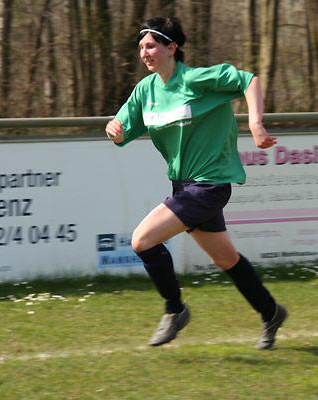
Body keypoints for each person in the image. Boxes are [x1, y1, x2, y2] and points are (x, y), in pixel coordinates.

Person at [105, 16, 286, 350]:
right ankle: (271, 312)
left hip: (210, 184)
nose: (144, 53)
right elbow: (121, 130)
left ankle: (175, 309)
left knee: (142, 240)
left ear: (172, 47)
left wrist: (256, 124)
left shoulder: (197, 80)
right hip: (184, 185)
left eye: (151, 46)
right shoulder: (146, 90)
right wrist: (113, 130)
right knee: (226, 259)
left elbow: (249, 80)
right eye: (141, 47)